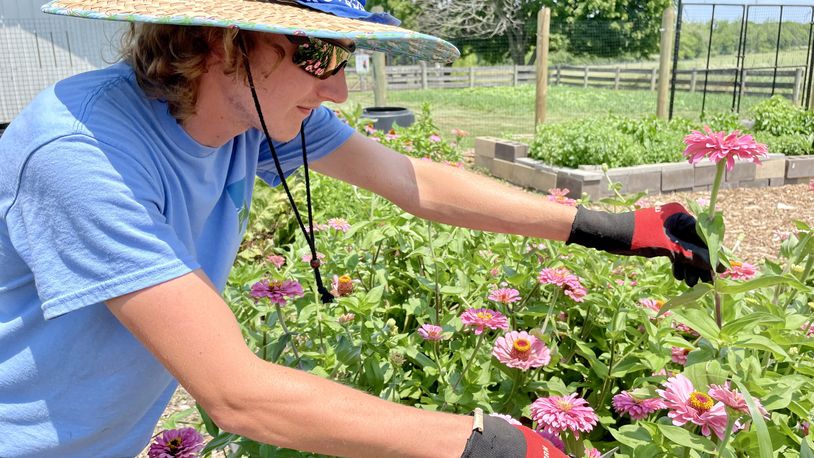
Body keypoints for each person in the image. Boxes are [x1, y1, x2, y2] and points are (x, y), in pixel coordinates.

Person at [0, 0, 714, 456]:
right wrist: (487, 445)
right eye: (320, 55)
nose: (339, 87)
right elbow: (234, 393)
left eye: (347, 58)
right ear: (225, 42)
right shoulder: (82, 155)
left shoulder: (250, 118)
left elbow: (415, 182)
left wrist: (614, 227)